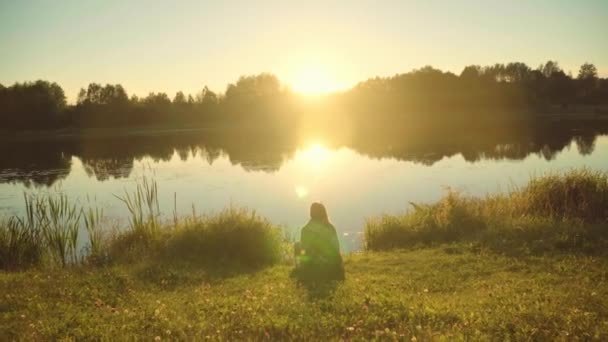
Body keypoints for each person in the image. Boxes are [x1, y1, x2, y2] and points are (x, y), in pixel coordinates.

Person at [294, 202, 344, 281]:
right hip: (334, 264)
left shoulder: (306, 229)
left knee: (297, 245)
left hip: (316, 264)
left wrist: (303, 262)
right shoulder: (330, 227)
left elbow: (304, 250)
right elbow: (336, 248)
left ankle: (301, 268)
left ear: (311, 214)